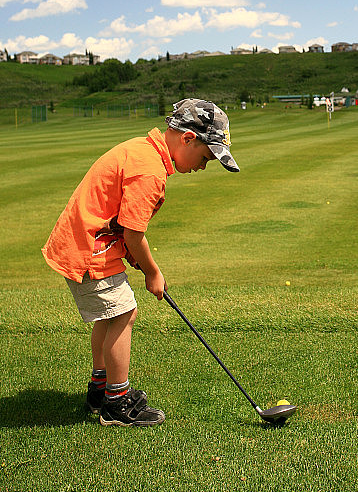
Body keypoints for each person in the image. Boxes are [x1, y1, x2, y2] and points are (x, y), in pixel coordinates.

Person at [42, 98, 239, 427]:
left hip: (86, 243)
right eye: (206, 157)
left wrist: (132, 254)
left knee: (109, 315)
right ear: (187, 138)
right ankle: (115, 403)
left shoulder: (142, 149)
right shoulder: (150, 171)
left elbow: (122, 223)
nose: (203, 166)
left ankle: (100, 390)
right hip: (89, 248)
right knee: (123, 313)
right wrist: (152, 272)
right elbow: (134, 234)